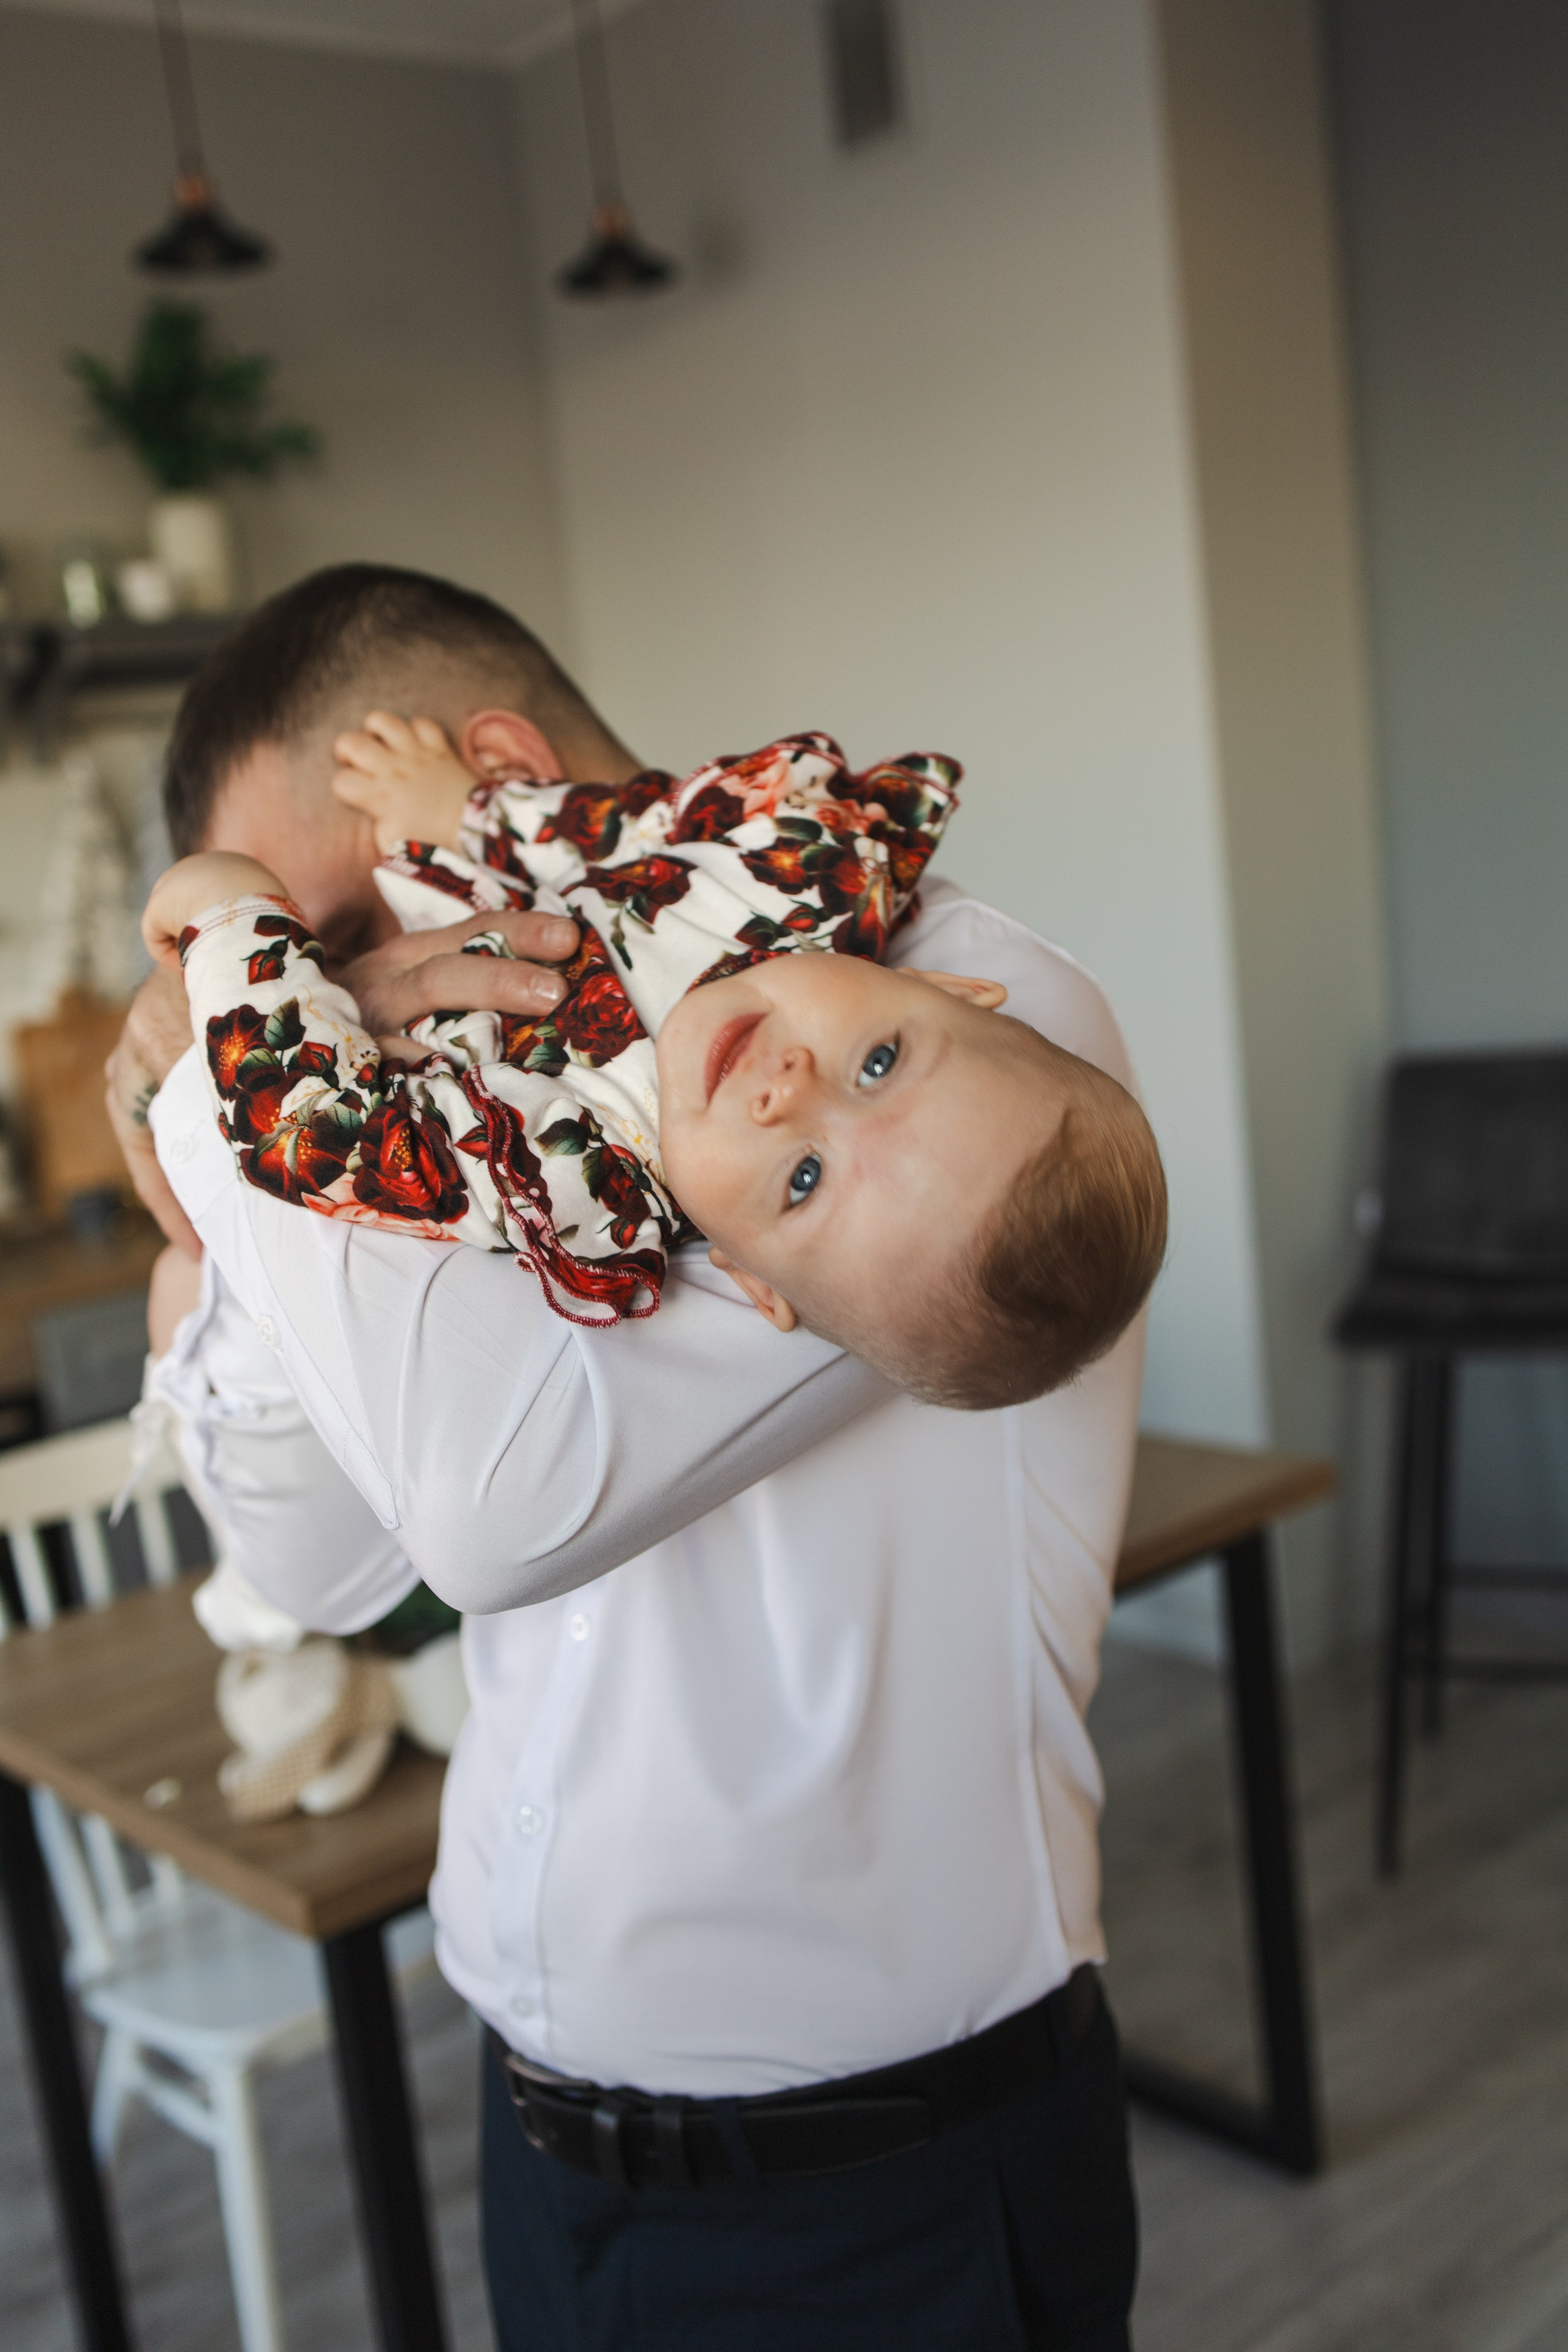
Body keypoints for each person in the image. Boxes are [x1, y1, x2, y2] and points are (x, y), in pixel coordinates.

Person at [117, 563, 1145, 2350]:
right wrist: (228, 1199)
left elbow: (491, 1513)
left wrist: (235, 1074)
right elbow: (319, 1568)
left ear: (490, 775)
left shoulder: (937, 1046)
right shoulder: (484, 1119)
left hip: (883, 2200)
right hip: (545, 2165)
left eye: (337, 925)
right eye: (303, 958)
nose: (337, 994)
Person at [143, 709, 1164, 1404]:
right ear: (942, 989)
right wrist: (480, 813)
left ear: (748, 1278)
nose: (788, 1091)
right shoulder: (810, 874)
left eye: (804, 1179)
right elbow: (658, 825)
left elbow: (320, 1134)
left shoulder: (589, 1179)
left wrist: (232, 912)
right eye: (881, 1063)